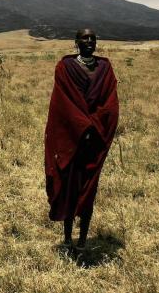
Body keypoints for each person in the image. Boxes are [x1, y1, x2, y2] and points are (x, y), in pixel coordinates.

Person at [44, 28, 119, 250]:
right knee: (69, 186)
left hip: (95, 139)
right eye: (84, 38)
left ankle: (83, 240)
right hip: (71, 139)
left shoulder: (105, 68)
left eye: (93, 38)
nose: (89, 41)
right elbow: (63, 104)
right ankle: (68, 239)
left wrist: (95, 127)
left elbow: (110, 104)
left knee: (89, 187)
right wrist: (82, 126)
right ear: (76, 42)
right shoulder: (65, 68)